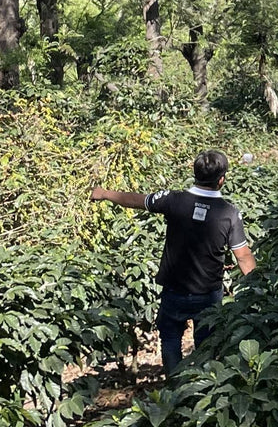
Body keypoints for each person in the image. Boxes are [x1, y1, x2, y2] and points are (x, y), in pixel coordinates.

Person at [89, 148, 255, 376]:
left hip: (174, 291)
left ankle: (175, 388)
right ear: (222, 179)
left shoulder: (173, 200)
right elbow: (243, 256)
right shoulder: (229, 213)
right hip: (208, 293)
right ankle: (203, 390)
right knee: (206, 346)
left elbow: (136, 200)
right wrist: (258, 288)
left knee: (170, 341)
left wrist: (105, 193)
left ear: (194, 173)